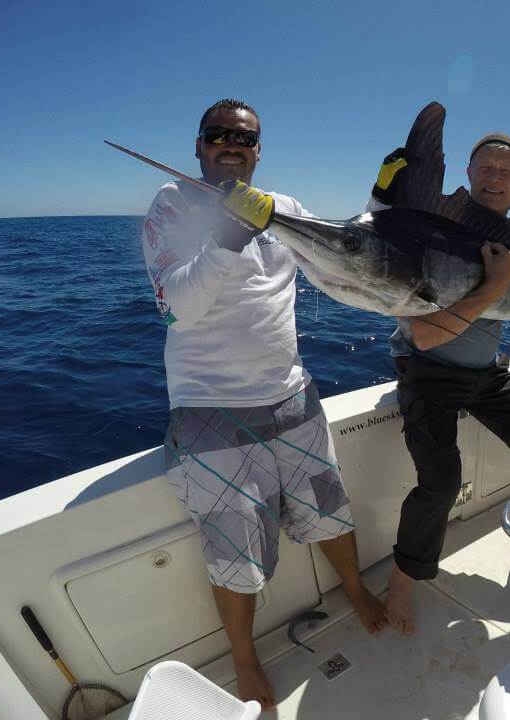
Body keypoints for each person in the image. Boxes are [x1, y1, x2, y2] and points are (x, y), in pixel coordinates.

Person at [141, 98, 386, 709]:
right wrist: (229, 235)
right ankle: (244, 658)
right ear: (198, 145)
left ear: (258, 150)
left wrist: (383, 201)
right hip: (210, 413)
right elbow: (177, 308)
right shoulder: (170, 205)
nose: (231, 144)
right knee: (235, 548)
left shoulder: (288, 210)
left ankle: (353, 588)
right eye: (218, 136)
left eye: (244, 138)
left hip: (293, 398)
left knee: (330, 509)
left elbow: (343, 253)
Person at [369, 134, 510, 635]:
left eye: (505, 172)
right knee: (440, 480)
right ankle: (403, 578)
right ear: (467, 173)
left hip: (484, 372)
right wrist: (496, 285)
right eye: (485, 168)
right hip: (427, 372)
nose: (494, 178)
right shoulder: (432, 237)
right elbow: (421, 333)